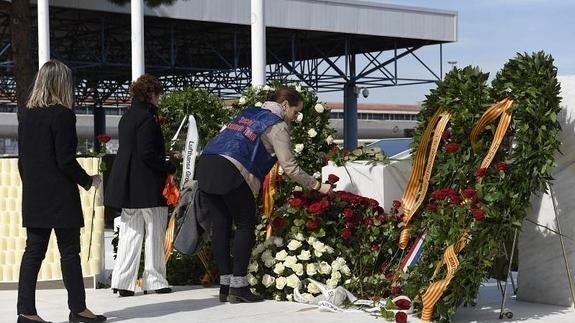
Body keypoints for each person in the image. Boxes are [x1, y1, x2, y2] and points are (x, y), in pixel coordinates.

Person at [197, 87, 332, 303]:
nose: (295, 118)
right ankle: (238, 287)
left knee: (221, 225)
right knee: (245, 224)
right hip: (231, 169)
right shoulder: (276, 125)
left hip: (207, 163)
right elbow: (290, 167)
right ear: (285, 105)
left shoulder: (248, 113)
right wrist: (318, 185)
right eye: (296, 112)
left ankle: (225, 285)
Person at [17, 60, 106, 323]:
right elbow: (65, 160)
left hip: (34, 196)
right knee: (69, 252)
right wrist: (89, 181)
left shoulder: (27, 115)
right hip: (60, 197)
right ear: (60, 83)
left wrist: (33, 187)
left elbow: (24, 162)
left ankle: (26, 313)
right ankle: (78, 310)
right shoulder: (63, 114)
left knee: (32, 253)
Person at [105, 74, 176, 297]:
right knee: (154, 232)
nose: (159, 100)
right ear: (151, 94)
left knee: (129, 232)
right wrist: (169, 164)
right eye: (158, 95)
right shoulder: (147, 118)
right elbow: (147, 153)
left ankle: (122, 282)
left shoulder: (126, 116)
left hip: (128, 185)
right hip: (148, 185)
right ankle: (155, 281)